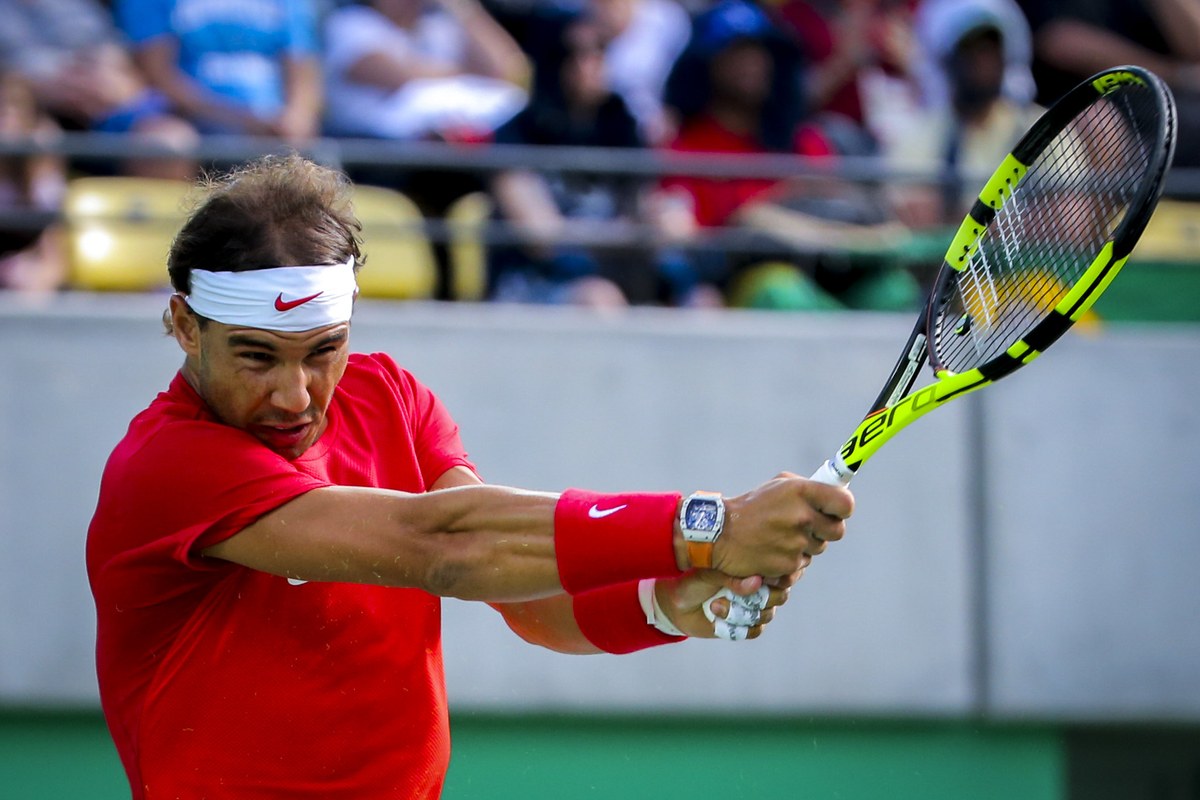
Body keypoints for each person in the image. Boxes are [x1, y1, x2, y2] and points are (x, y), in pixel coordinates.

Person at [85, 153, 854, 798]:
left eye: (323, 350)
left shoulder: (390, 397)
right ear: (186, 325)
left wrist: (666, 601)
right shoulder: (167, 466)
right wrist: (710, 528)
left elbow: (527, 599)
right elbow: (448, 548)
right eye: (257, 356)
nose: (294, 395)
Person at [655, 0, 919, 311]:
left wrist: (770, 215)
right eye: (736, 51)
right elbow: (685, 237)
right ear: (707, 64)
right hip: (741, 285)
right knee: (780, 291)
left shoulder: (802, 140)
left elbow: (838, 211)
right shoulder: (684, 148)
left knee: (893, 290)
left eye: (759, 51)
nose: (751, 63)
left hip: (828, 270)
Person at [488, 14, 710, 306]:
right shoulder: (516, 132)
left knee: (702, 299)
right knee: (600, 298)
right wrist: (625, 233)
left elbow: (642, 204)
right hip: (535, 278)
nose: (589, 65)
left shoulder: (623, 127)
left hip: (619, 267)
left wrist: (663, 216)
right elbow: (540, 236)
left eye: (599, 51)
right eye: (576, 54)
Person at [0, 0, 198, 180]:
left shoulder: (78, 7)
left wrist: (111, 78)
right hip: (26, 111)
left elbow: (116, 57)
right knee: (16, 136)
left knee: (170, 141)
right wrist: (45, 87)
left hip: (99, 110)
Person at [887, 0, 1042, 229]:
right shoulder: (919, 136)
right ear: (948, 60)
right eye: (969, 50)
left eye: (989, 49)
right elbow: (902, 216)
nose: (981, 61)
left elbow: (1073, 216)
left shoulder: (1043, 127)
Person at [114, 0, 323, 143]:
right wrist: (242, 121)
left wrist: (295, 120)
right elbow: (157, 75)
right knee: (166, 144)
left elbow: (303, 73)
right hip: (190, 123)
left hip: (272, 130)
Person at [323, 0, 531, 143]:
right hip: (379, 154)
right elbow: (398, 75)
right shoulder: (350, 22)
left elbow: (507, 70)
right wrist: (471, 75)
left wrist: (463, 8)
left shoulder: (439, 25)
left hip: (453, 149)